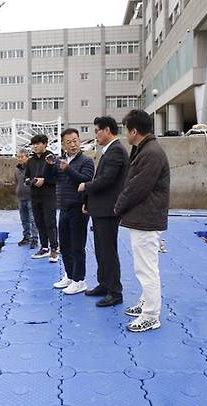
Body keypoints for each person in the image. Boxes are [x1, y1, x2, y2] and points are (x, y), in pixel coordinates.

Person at [114, 109, 170, 332]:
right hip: (144, 217)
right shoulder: (144, 149)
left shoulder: (151, 153)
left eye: (126, 130)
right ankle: (147, 302)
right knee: (143, 267)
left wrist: (118, 207)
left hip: (147, 218)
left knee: (146, 269)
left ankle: (151, 315)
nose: (125, 135)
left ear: (134, 131)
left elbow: (137, 187)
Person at [78, 116, 129, 307]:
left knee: (108, 251)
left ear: (107, 130)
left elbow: (106, 180)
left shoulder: (116, 151)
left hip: (109, 210)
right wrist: (89, 203)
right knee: (100, 249)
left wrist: (86, 186)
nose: (96, 135)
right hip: (100, 209)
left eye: (97, 130)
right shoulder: (108, 151)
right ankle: (104, 284)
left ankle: (115, 292)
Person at [46, 128, 94, 295]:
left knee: (77, 246)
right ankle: (70, 275)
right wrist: (50, 165)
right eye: (69, 142)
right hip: (64, 208)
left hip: (79, 208)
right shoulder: (61, 161)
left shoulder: (86, 161)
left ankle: (80, 280)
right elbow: (51, 179)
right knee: (65, 245)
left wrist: (68, 169)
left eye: (75, 140)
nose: (73, 144)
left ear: (79, 141)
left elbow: (86, 181)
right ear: (62, 144)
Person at [24, 134, 58, 261]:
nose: (35, 146)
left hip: (48, 195)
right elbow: (26, 178)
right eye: (33, 144)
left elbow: (57, 177)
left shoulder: (51, 158)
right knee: (39, 222)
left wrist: (45, 180)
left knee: (50, 222)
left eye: (38, 143)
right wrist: (32, 181)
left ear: (45, 144)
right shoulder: (31, 161)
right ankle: (44, 247)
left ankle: (54, 248)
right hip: (34, 195)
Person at [14, 149, 39, 249]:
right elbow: (16, 181)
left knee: (33, 219)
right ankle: (26, 236)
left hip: (31, 197)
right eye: (18, 157)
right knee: (24, 219)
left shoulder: (32, 168)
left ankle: (34, 238)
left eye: (22, 157)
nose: (19, 159)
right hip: (21, 197)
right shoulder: (16, 169)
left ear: (27, 157)